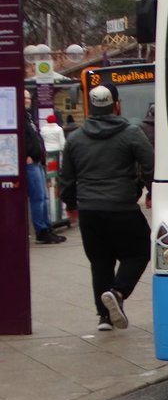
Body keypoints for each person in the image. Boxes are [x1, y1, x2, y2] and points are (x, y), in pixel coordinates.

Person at [59, 85, 155, 332]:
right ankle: (118, 292)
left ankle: (104, 317)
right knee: (141, 250)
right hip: (121, 207)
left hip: (90, 210)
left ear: (90, 107)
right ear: (116, 104)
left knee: (100, 261)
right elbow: (150, 164)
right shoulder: (131, 133)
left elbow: (66, 177)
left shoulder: (75, 139)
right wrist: (151, 192)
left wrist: (70, 204)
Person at [24, 90, 64, 244]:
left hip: (37, 161)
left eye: (28, 98)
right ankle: (41, 230)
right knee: (38, 197)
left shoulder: (29, 117)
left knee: (44, 197)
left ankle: (47, 227)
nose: (28, 100)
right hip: (30, 163)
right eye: (25, 98)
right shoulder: (21, 117)